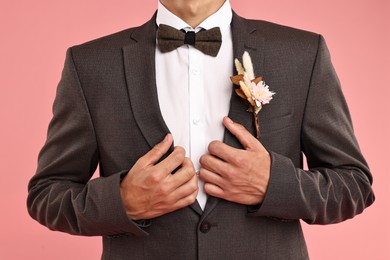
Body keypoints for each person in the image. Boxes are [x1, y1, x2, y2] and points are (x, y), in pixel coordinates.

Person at [27, 0, 375, 259]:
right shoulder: (90, 64)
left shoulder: (302, 53)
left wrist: (274, 185)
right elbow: (46, 194)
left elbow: (353, 185)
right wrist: (122, 201)